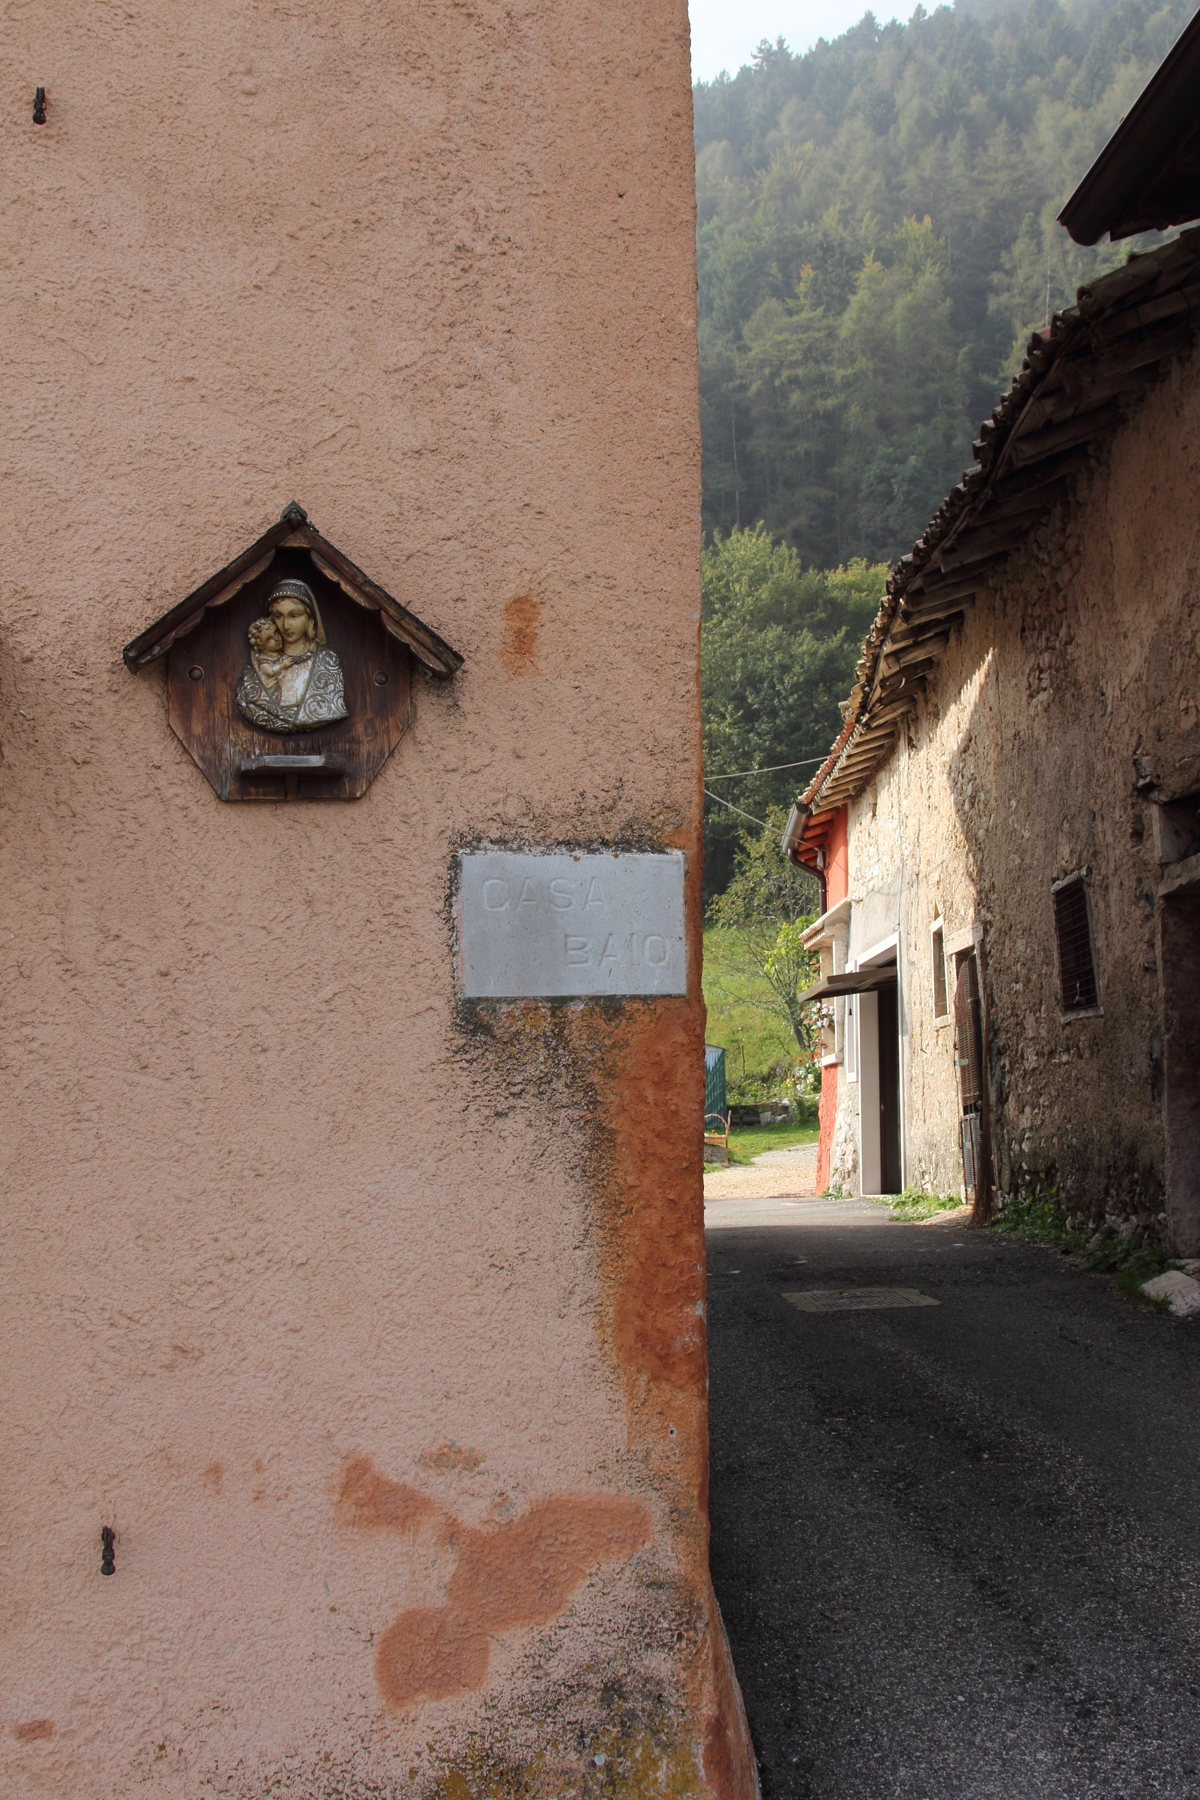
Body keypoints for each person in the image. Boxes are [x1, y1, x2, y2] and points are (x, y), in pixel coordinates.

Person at [236, 579, 348, 732]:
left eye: (294, 615)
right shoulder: (258, 666)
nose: (286, 625)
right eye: (278, 616)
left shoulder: (326, 660)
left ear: (310, 618)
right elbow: (249, 700)